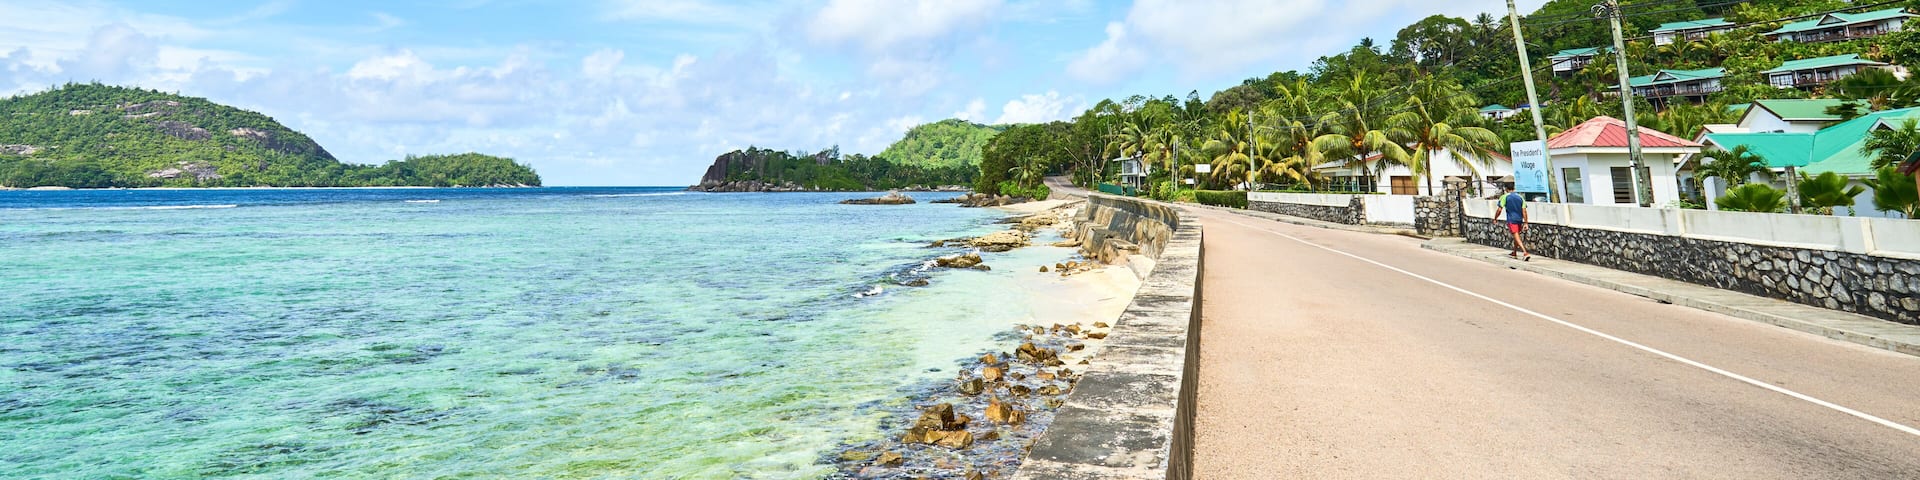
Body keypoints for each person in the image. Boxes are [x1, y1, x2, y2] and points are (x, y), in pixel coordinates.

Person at [1496, 185, 1530, 261]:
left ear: (1506, 189)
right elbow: (1524, 211)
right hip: (1519, 219)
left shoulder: (1504, 197)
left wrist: (1495, 218)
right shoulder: (1520, 197)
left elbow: (1499, 209)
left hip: (1512, 219)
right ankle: (1514, 252)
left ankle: (1525, 253)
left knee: (1516, 236)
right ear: (1514, 189)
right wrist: (1526, 222)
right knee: (1516, 236)